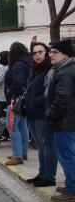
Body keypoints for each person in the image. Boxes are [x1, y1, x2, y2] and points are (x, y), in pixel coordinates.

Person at [45, 39, 75, 202]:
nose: (51, 55)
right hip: (68, 121)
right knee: (69, 155)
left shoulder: (65, 72)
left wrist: (50, 114)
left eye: (55, 52)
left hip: (65, 122)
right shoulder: (66, 68)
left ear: (65, 54)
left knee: (67, 157)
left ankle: (72, 191)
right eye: (50, 51)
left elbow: (62, 98)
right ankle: (71, 186)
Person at [25, 39, 56, 187]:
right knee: (40, 146)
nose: (37, 55)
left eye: (40, 52)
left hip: (43, 115)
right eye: (34, 53)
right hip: (31, 114)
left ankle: (49, 177)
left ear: (47, 53)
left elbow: (49, 93)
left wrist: (36, 102)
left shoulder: (50, 69)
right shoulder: (34, 68)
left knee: (48, 146)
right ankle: (42, 173)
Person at [4, 42, 32, 166]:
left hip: (15, 100)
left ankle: (17, 155)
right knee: (22, 126)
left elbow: (18, 83)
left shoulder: (17, 65)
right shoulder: (27, 62)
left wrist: (10, 94)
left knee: (11, 126)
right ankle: (23, 152)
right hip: (24, 99)